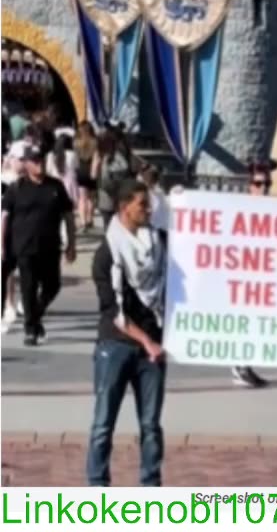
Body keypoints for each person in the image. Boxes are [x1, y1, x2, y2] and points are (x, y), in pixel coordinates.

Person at [86, 180, 167, 486]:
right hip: (116, 345)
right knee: (103, 423)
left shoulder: (159, 241)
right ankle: (97, 486)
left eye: (148, 204)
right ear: (124, 209)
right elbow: (114, 312)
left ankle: (150, 486)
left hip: (152, 347)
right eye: (142, 205)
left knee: (151, 424)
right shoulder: (107, 254)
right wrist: (147, 341)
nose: (148, 210)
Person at [1, 145, 75, 346]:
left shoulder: (55, 186)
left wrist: (72, 243)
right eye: (34, 160)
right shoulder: (17, 188)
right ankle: (30, 330)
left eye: (40, 159)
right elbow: (5, 217)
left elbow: (68, 216)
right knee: (29, 288)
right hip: (24, 247)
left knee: (53, 285)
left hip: (50, 246)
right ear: (26, 164)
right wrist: (2, 246)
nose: (38, 163)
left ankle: (34, 317)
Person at [230, 161, 272, 389]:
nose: (263, 188)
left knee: (254, 324)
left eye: (266, 184)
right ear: (249, 186)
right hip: (244, 276)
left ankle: (246, 365)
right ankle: (239, 366)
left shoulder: (269, 209)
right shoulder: (242, 208)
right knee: (243, 322)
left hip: (260, 276)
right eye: (258, 184)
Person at [92, 130, 133, 230]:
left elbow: (94, 176)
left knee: (108, 226)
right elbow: (127, 170)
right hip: (119, 194)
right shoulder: (121, 155)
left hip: (106, 196)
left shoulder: (102, 157)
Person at [73, 122, 98, 230]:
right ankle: (90, 219)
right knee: (91, 198)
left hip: (80, 171)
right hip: (91, 171)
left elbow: (74, 159)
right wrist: (94, 172)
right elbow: (96, 158)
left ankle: (83, 221)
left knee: (82, 198)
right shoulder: (95, 142)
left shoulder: (75, 143)